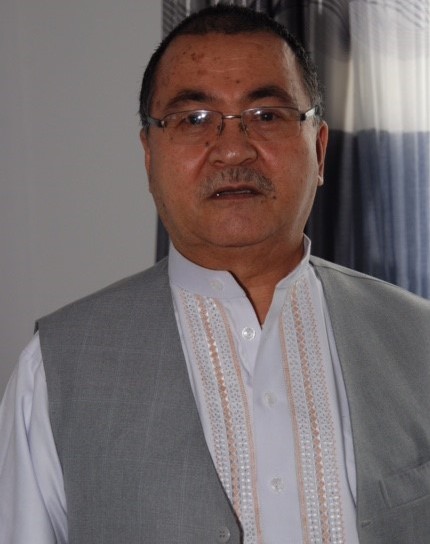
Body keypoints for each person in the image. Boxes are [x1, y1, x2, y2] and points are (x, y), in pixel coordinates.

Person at [1, 4, 429, 544]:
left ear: (319, 150)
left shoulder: (419, 340)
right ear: (149, 158)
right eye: (194, 119)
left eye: (267, 115)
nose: (232, 149)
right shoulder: (53, 371)